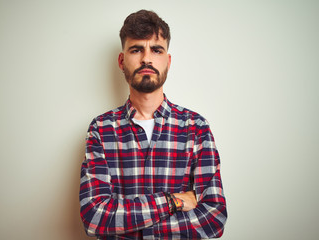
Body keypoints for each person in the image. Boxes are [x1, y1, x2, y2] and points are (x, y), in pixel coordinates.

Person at [80, 10, 227, 239]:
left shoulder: (196, 128)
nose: (146, 58)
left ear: (167, 61)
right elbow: (95, 218)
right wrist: (173, 201)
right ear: (122, 60)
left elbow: (213, 219)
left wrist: (127, 225)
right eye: (136, 49)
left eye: (156, 50)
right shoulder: (101, 129)